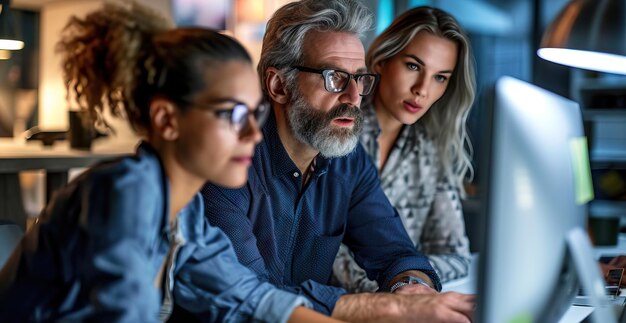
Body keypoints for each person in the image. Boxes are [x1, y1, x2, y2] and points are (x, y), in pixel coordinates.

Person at [0, 2, 339, 322]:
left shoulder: (184, 211)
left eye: (254, 113)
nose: (254, 133)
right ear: (166, 119)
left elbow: (247, 296)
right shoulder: (125, 195)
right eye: (233, 114)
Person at [201, 0, 474, 321]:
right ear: (278, 85)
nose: (353, 97)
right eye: (334, 78)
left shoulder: (348, 160)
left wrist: (413, 289)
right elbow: (248, 299)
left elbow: (395, 253)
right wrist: (393, 306)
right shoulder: (227, 160)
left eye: (359, 79)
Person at [333, 6, 476, 292]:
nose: (422, 89)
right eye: (413, 66)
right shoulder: (336, 131)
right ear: (383, 61)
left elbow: (457, 257)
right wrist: (398, 289)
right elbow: (325, 252)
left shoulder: (431, 149)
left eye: (440, 77)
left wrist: (409, 283)